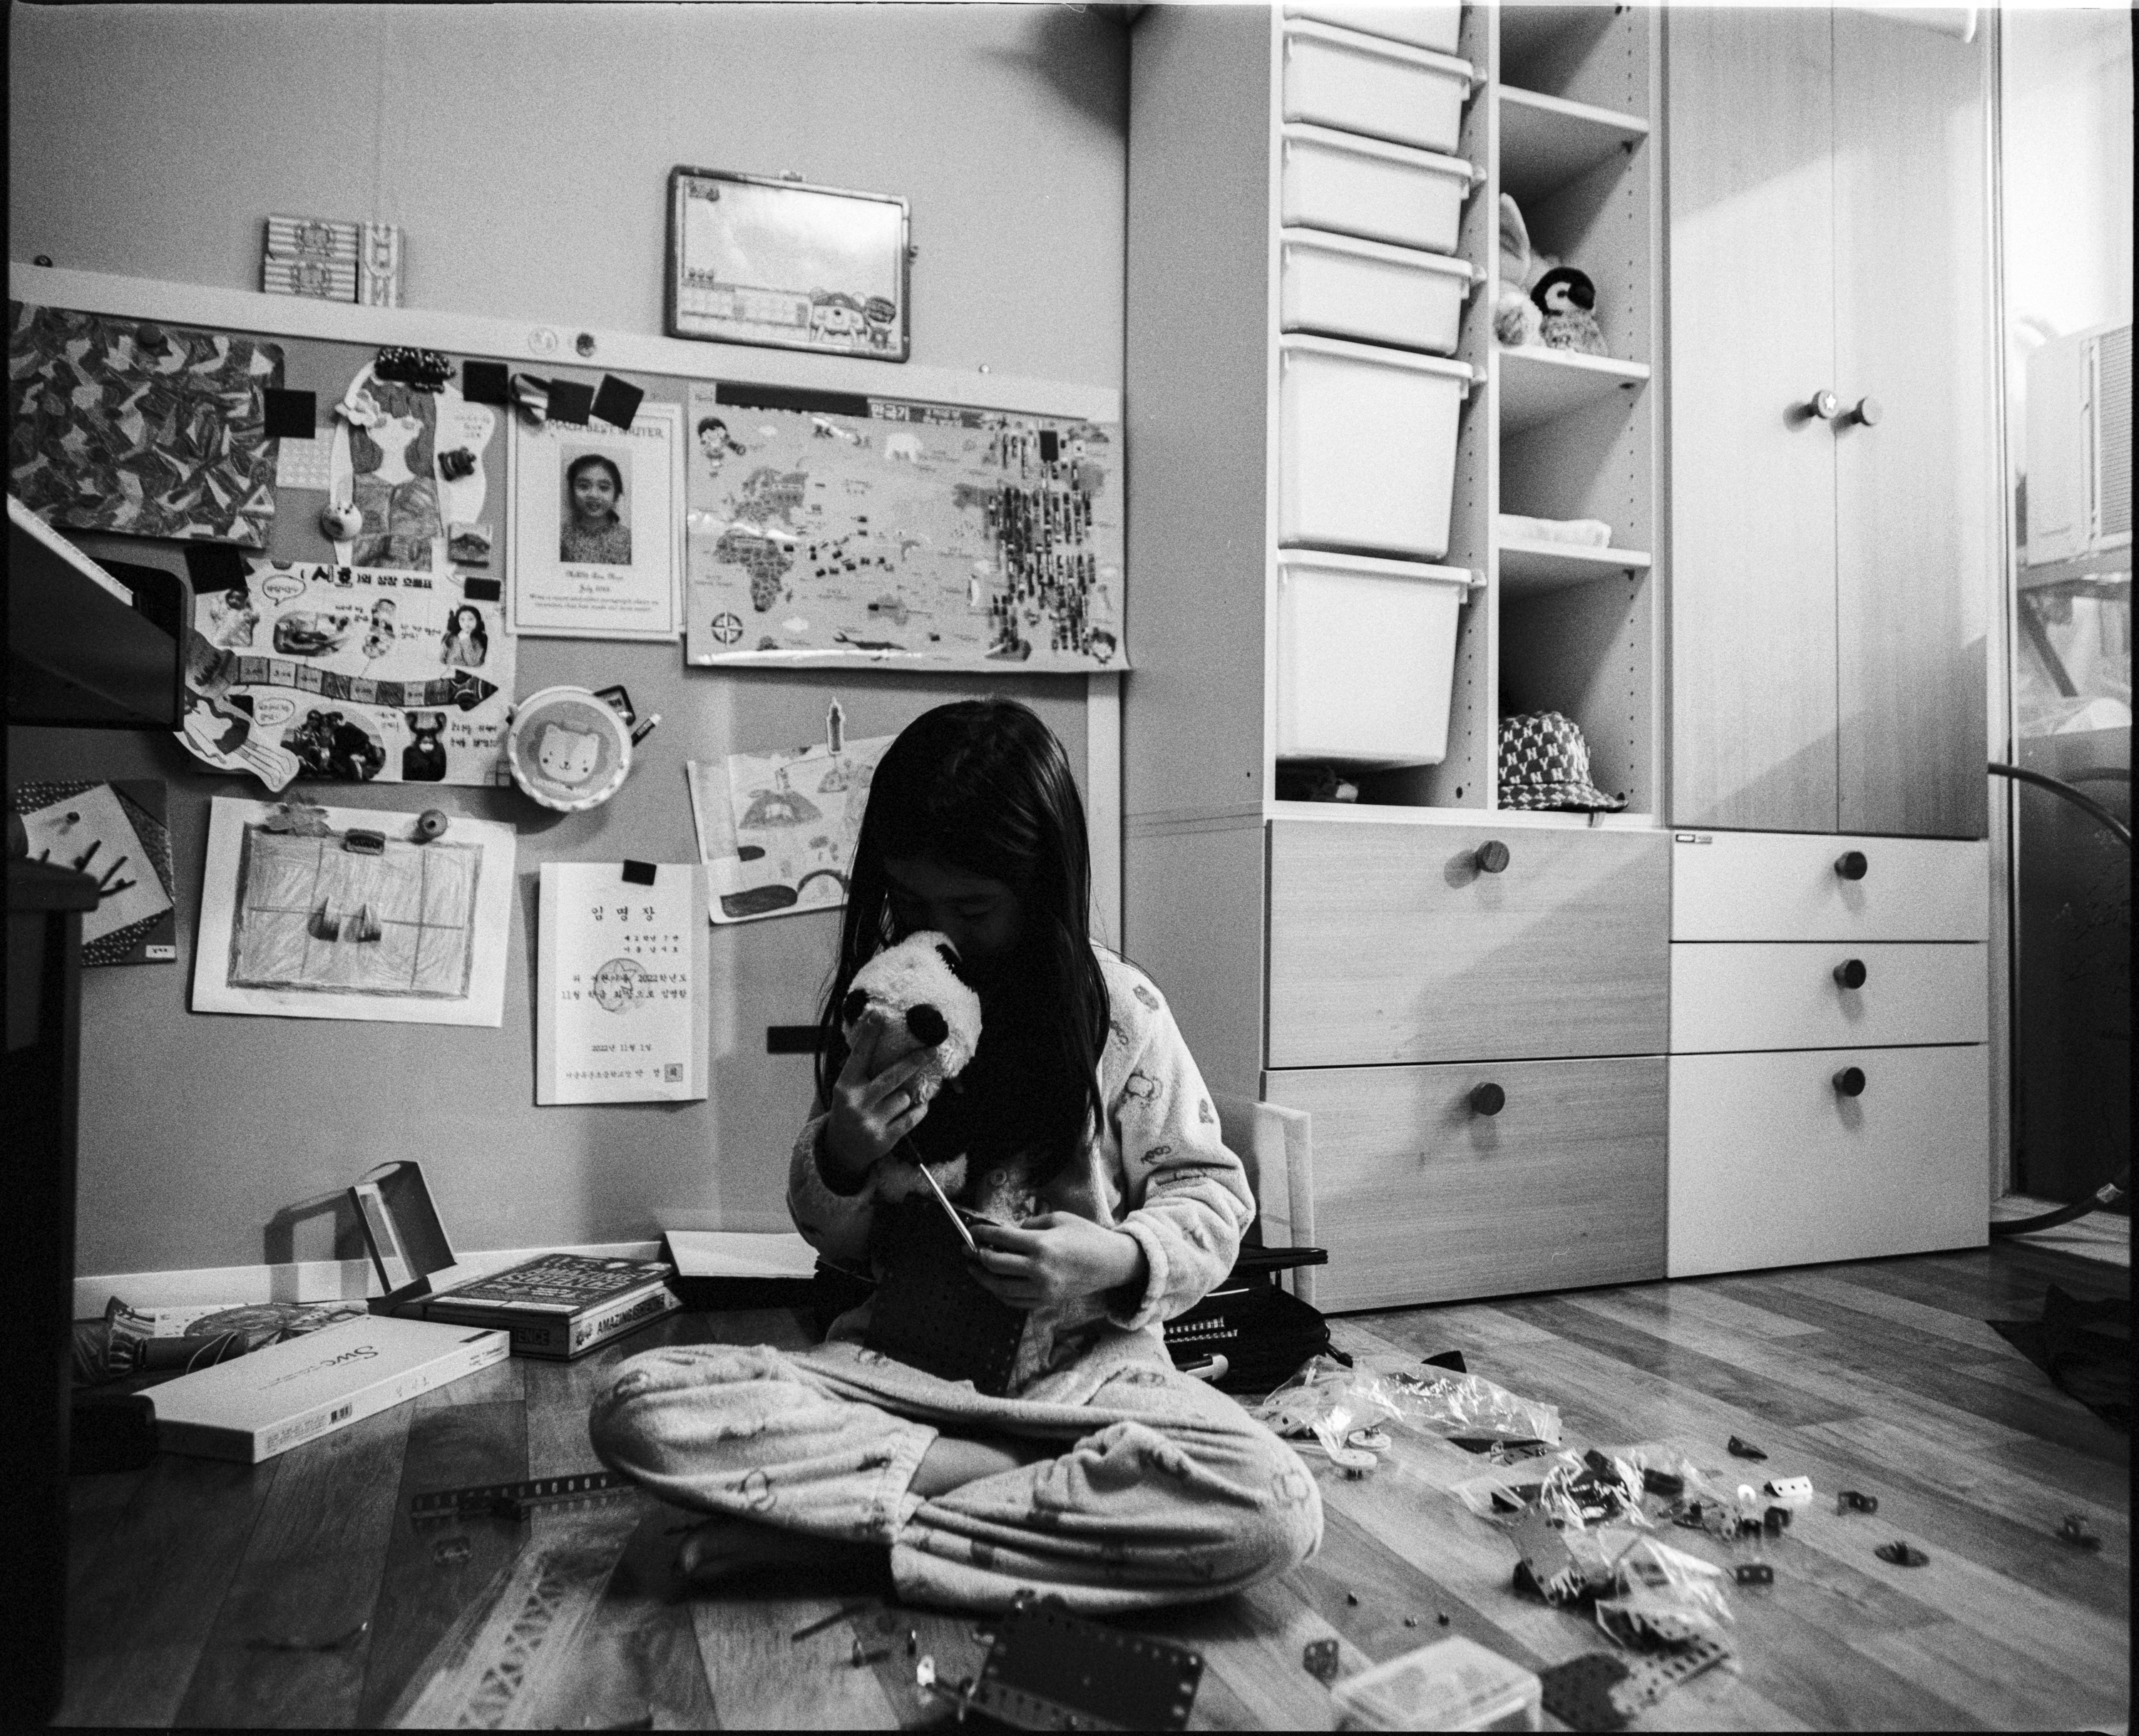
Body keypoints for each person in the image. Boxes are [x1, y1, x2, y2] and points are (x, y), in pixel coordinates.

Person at [590, 698, 1320, 1613]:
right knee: (636, 1408)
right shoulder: (890, 1012)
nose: (938, 933)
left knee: (1274, 1507)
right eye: (912, 903)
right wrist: (843, 1153)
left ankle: (855, 1535)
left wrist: (1117, 1255)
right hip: (896, 1380)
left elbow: (1208, 1192)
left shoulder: (1123, 1010)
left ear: (1041, 885)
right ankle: (991, 1472)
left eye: (973, 906)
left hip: (1094, 1385)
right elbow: (836, 1240)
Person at [560, 451, 632, 565]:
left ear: (616, 495)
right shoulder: (561, 536)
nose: (594, 495)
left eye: (603, 488)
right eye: (584, 486)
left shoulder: (629, 539)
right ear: (572, 491)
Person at [440, 603, 488, 669]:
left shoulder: (480, 639)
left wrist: (465, 639)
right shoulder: (451, 636)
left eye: (470, 619)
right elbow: (442, 659)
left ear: (477, 621)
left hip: (471, 673)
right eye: (462, 619)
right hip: (450, 671)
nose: (466, 623)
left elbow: (473, 663)